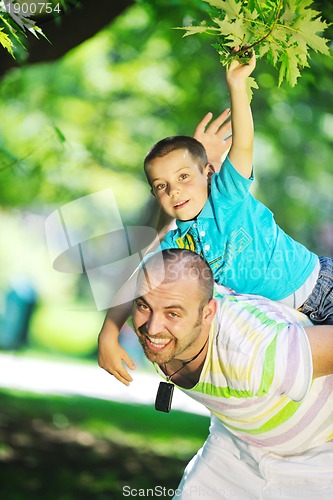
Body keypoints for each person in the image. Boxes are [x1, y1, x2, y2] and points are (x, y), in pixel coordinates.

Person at [98, 49, 333, 385]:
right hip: (285, 322)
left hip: (321, 288)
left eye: (183, 178)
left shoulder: (227, 196)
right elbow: (134, 283)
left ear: (208, 172)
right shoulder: (178, 244)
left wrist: (237, 83)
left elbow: (244, 146)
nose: (174, 191)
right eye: (161, 186)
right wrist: (107, 335)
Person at [132, 248, 333, 499]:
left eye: (172, 313)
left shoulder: (256, 352)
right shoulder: (161, 306)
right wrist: (108, 333)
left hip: (319, 460)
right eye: (143, 306)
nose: (152, 327)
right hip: (236, 447)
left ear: (208, 312)